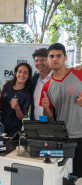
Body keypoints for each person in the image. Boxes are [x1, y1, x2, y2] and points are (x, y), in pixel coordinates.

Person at [40, 43, 82, 178]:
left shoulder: (79, 73)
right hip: (63, 139)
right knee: (65, 177)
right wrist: (46, 108)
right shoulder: (47, 86)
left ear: (65, 57)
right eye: (51, 56)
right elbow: (50, 117)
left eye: (59, 56)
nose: (55, 59)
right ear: (47, 59)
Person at [31, 48, 82, 120]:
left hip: (55, 124)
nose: (39, 63)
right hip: (36, 122)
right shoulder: (34, 79)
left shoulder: (60, 77)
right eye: (36, 61)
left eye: (42, 60)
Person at [0, 63, 32, 137]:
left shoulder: (27, 94)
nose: (22, 75)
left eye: (25, 73)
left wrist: (17, 108)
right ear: (15, 73)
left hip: (14, 129)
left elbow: (21, 117)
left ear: (28, 76)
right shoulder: (7, 86)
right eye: (20, 71)